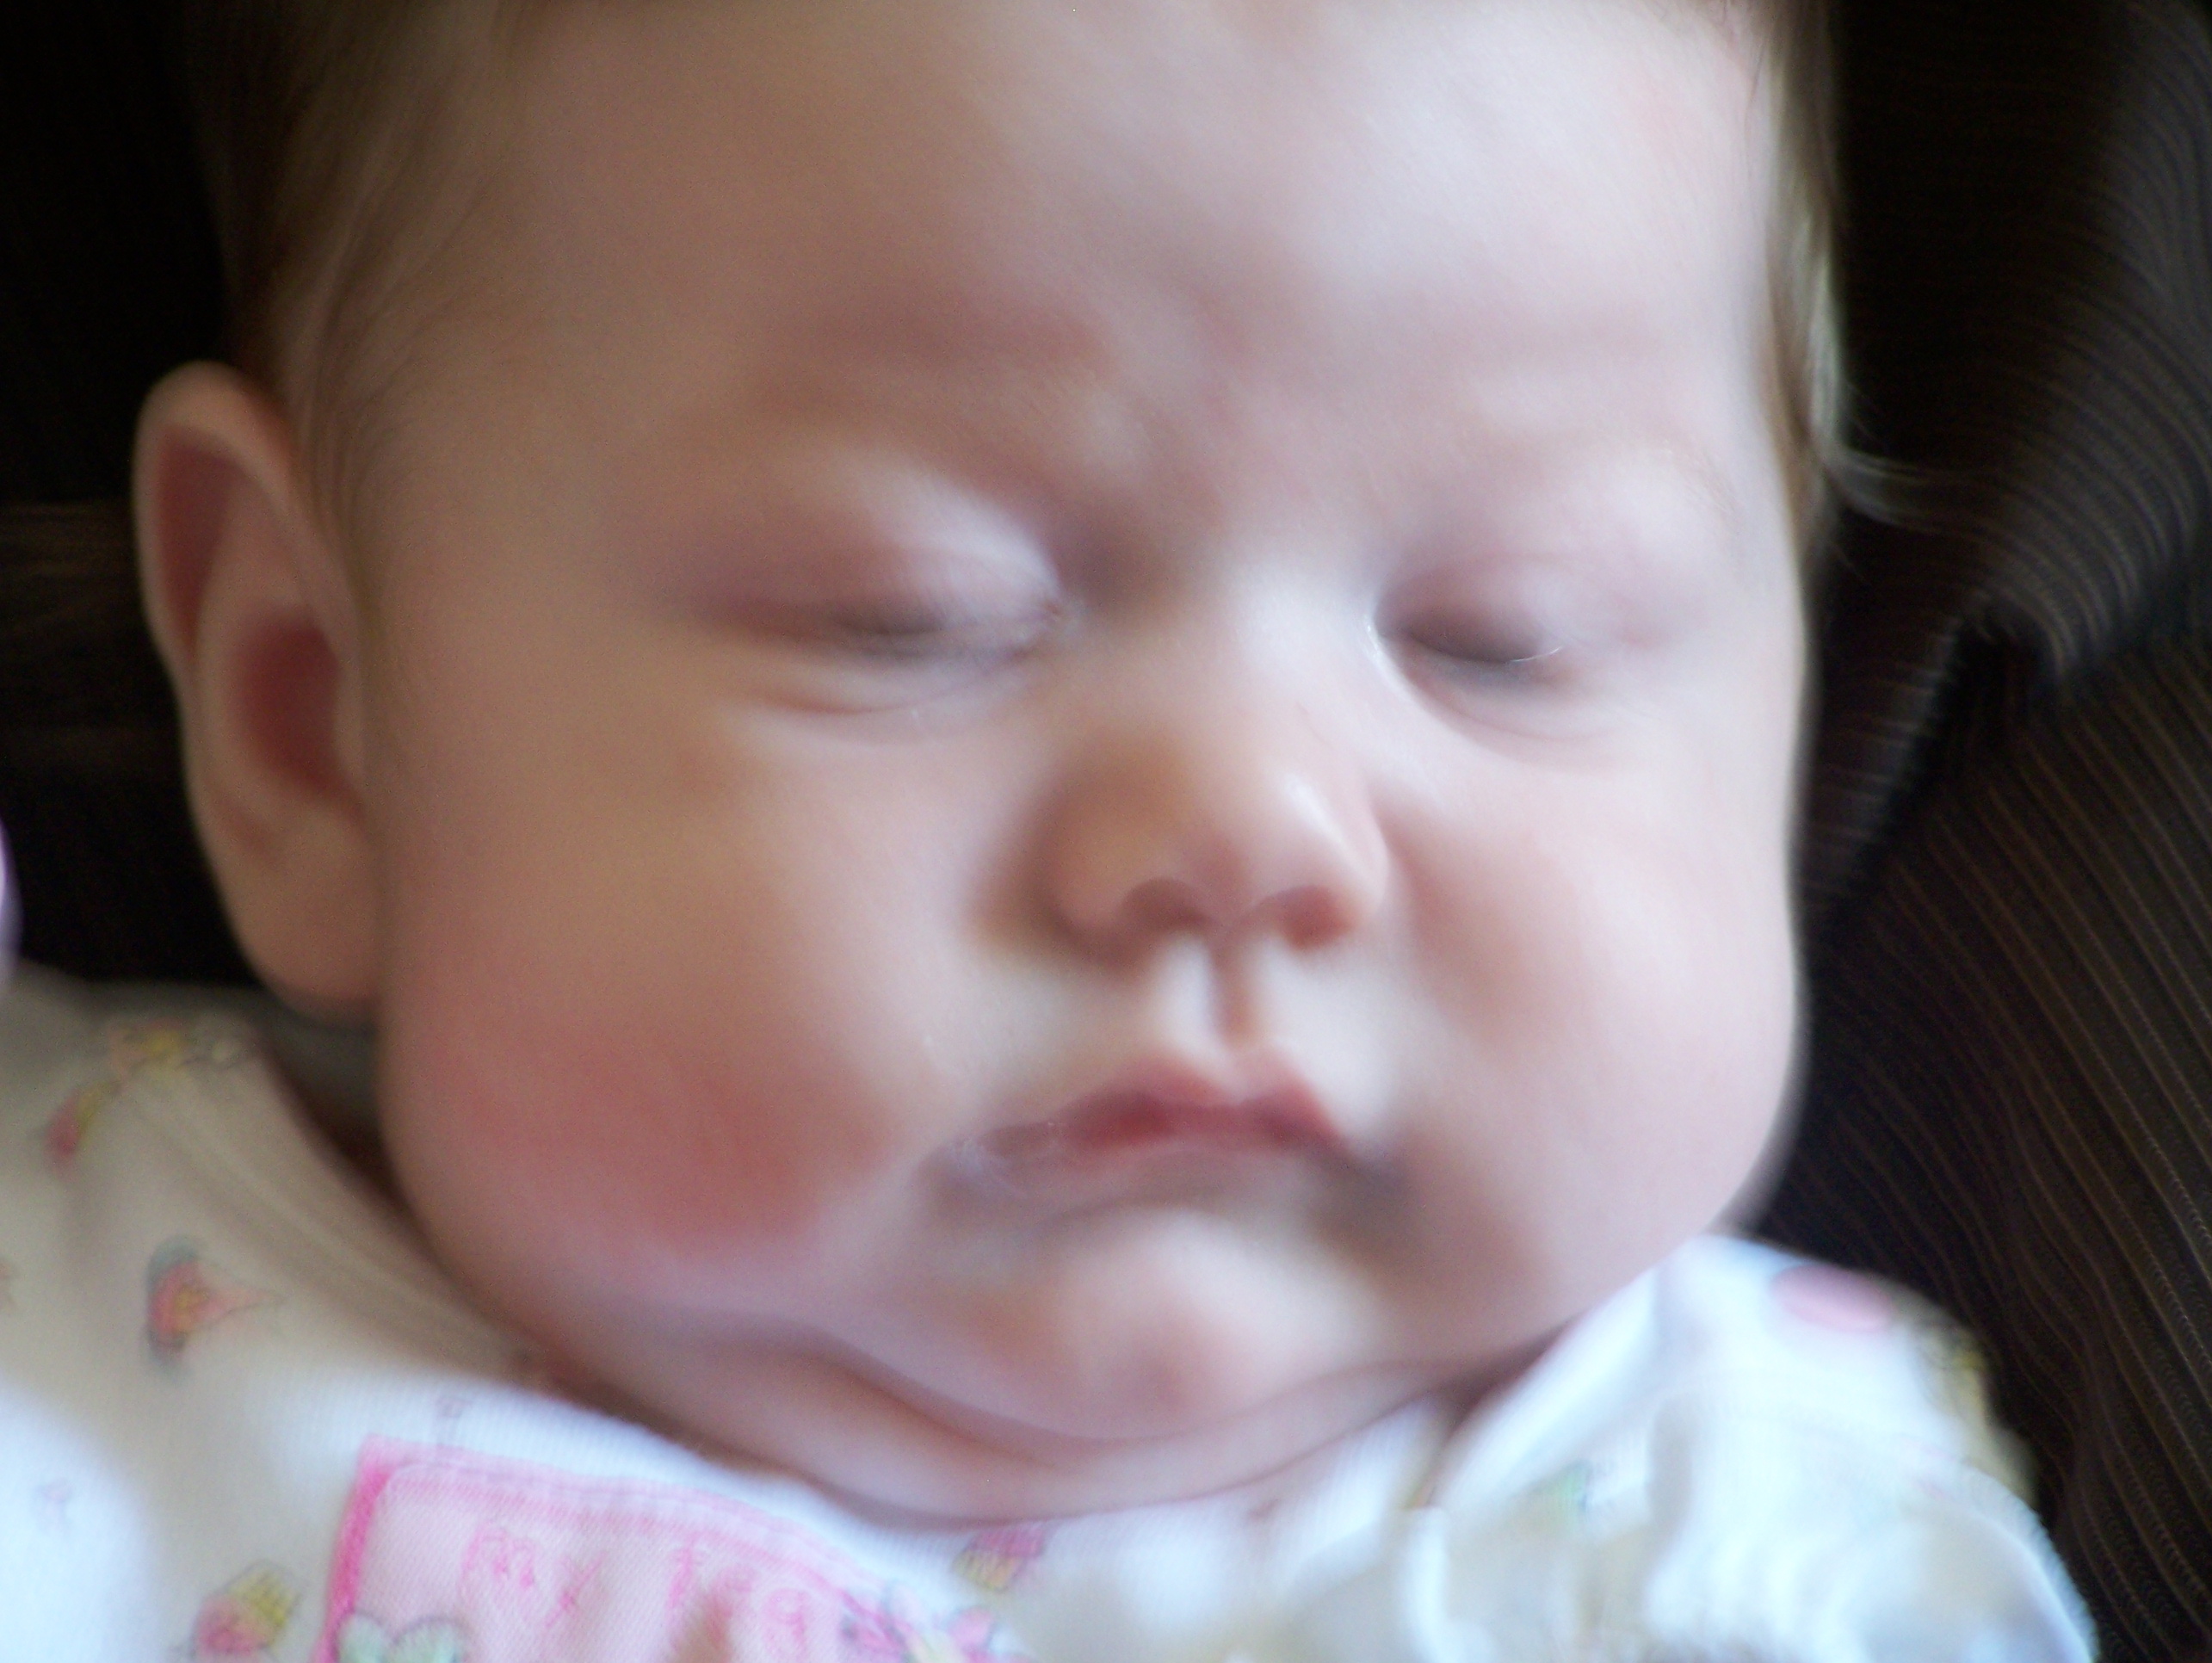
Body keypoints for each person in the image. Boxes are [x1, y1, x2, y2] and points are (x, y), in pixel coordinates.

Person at [0, 0, 2093, 1654]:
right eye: (913, 616)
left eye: (1501, 636)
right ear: (311, 721)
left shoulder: (1757, 1560)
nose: (1249, 827)